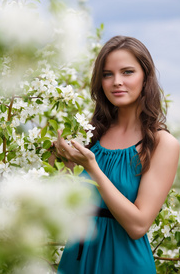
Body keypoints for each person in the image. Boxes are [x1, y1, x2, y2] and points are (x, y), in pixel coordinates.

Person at [54, 36, 179, 274]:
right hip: (77, 260)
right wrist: (62, 163)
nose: (117, 82)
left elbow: (138, 225)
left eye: (127, 72)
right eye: (107, 74)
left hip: (125, 264)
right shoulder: (88, 135)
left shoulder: (163, 143)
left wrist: (92, 169)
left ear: (146, 77)